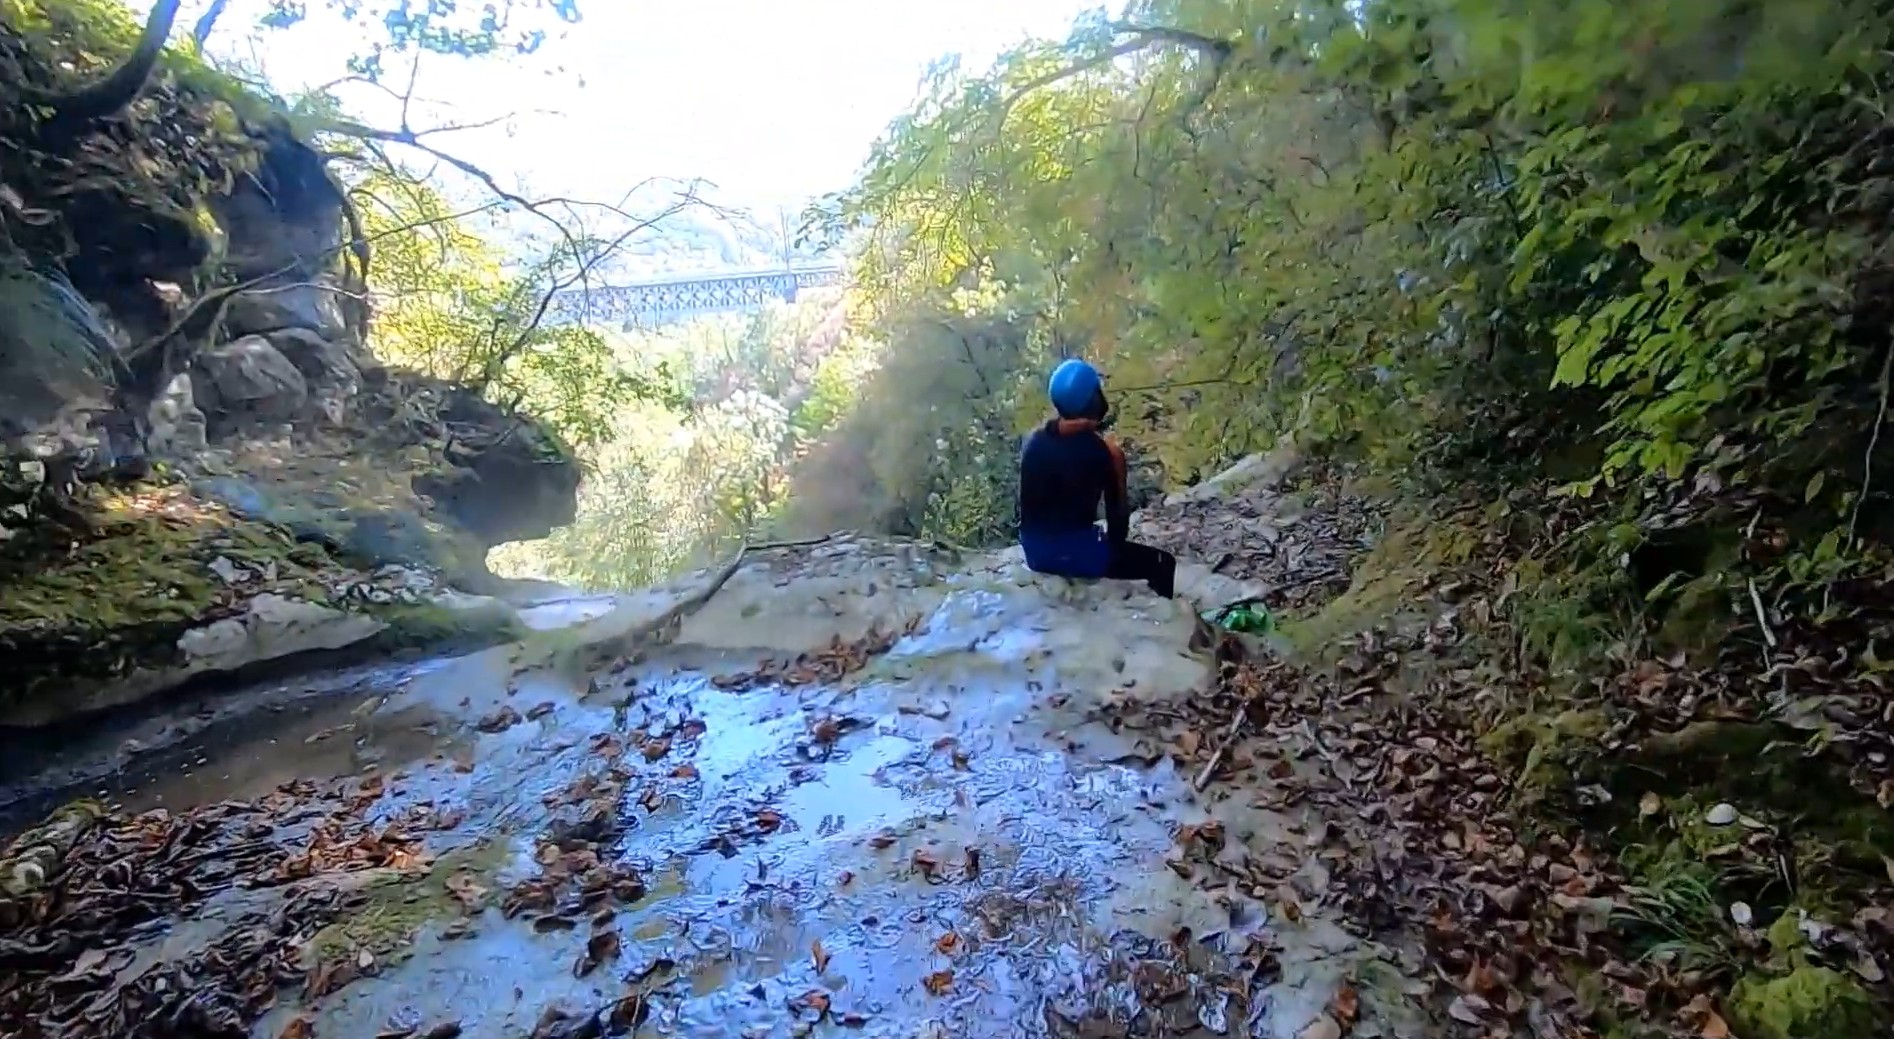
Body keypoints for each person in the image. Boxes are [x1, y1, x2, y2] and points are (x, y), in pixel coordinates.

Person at [1017, 358, 1178, 598]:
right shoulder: (1109, 454)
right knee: (1163, 563)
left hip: (1034, 553)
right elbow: (1117, 527)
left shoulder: (1034, 441)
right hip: (1073, 556)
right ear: (1094, 400)